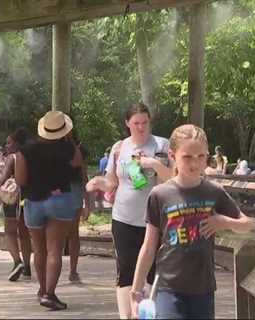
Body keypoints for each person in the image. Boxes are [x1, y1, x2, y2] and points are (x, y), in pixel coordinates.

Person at [129, 124, 253, 319]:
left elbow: (246, 225)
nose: (194, 163)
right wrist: (135, 292)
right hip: (168, 287)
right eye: (187, 157)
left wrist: (224, 222)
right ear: (172, 156)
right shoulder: (159, 195)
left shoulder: (214, 192)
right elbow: (149, 246)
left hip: (202, 289)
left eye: (201, 157)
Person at [86, 103, 172, 319]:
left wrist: (152, 163)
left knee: (154, 270)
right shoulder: (119, 148)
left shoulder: (162, 145)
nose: (141, 127)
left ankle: (150, 314)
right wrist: (98, 182)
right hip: (123, 217)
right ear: (127, 124)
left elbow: (173, 179)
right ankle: (127, 316)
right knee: (125, 268)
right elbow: (112, 182)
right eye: (136, 123)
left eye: (145, 123)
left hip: (155, 220)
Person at [15, 110, 83, 310]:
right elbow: (78, 163)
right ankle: (50, 294)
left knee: (39, 249)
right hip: (60, 199)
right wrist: (69, 140)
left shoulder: (25, 150)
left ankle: (41, 289)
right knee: (55, 249)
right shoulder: (68, 149)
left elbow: (20, 180)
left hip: (33, 201)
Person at [0, 128, 32, 281]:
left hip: (13, 199)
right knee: (24, 232)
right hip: (29, 197)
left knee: (10, 231)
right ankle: (27, 266)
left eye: (9, 143)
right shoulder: (31, 156)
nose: (6, 146)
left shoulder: (12, 158)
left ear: (16, 144)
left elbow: (3, 179)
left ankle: (17, 261)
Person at [67, 135, 91, 282]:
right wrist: (87, 202)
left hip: (66, 191)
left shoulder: (77, 150)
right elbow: (83, 176)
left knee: (70, 233)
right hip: (72, 191)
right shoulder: (78, 150)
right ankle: (73, 271)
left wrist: (87, 203)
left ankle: (73, 270)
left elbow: (83, 176)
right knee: (72, 233)